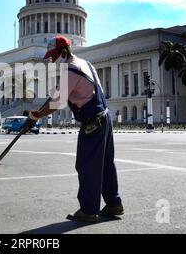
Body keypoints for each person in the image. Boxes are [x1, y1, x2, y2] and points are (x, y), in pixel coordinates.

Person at [29, 35, 124, 223]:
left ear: (63, 52)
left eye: (54, 55)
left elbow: (57, 103)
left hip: (92, 122)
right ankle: (114, 204)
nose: (52, 60)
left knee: (86, 165)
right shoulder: (85, 63)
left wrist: (36, 116)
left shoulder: (70, 70)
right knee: (105, 164)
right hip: (104, 117)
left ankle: (88, 211)